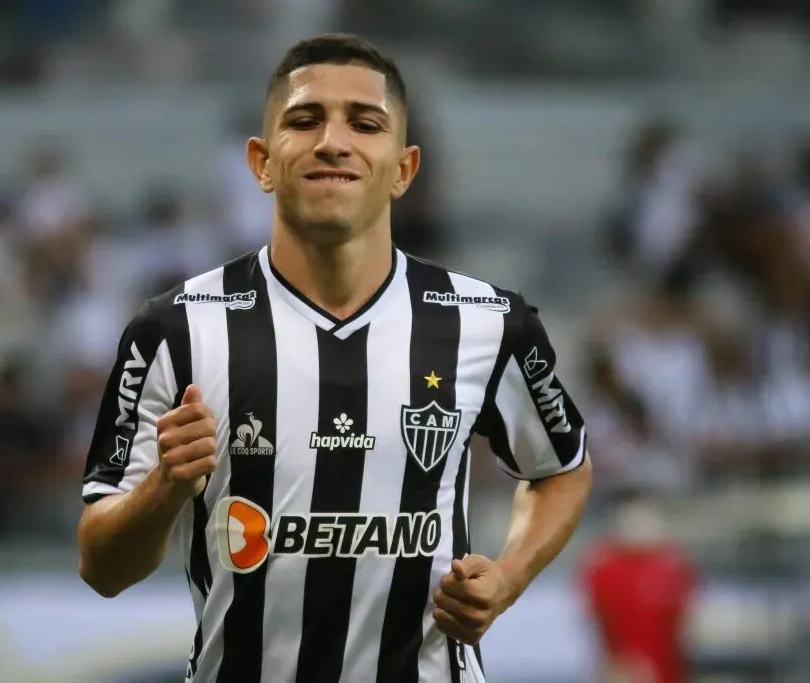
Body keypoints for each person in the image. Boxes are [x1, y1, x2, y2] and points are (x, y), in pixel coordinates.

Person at [76, 33, 594, 683]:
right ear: (262, 163)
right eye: (305, 119)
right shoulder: (175, 329)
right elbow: (101, 566)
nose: (332, 140)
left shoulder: (487, 324)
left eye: (365, 122)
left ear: (404, 169)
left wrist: (509, 575)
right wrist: (163, 489)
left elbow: (562, 468)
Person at [579, 487, 697, 683]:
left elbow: (686, 620)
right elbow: (598, 622)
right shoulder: (603, 568)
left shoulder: (675, 564)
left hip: (671, 666)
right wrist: (616, 665)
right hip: (626, 668)